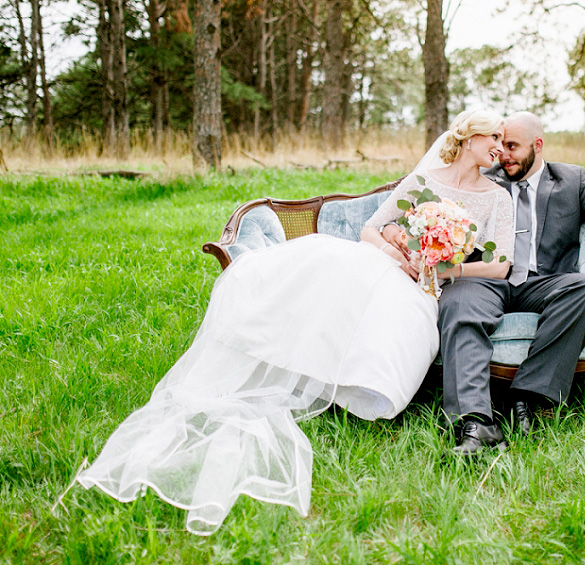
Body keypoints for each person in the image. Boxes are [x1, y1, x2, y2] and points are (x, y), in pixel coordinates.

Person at [75, 109, 515, 535]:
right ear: (468, 138)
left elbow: (500, 265)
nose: (499, 146)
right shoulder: (423, 182)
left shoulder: (496, 197)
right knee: (328, 259)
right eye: (492, 136)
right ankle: (282, 355)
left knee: (392, 305)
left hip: (431, 284)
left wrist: (440, 269)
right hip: (391, 264)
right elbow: (370, 230)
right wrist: (399, 256)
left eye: (502, 138)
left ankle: (353, 382)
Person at [436, 111, 585, 454]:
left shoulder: (571, 182)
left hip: (545, 282)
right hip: (488, 278)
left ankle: (528, 397)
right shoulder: (484, 179)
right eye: (499, 144)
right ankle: (476, 424)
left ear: (538, 145)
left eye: (511, 146)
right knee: (457, 301)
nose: (502, 154)